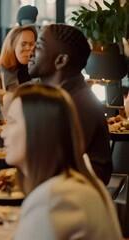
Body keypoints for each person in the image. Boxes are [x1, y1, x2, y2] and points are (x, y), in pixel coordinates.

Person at [2, 84, 121, 239]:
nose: (3, 133)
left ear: (39, 130)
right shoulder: (75, 182)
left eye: (12, 122)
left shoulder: (56, 199)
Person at [28, 24, 112, 185]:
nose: (30, 52)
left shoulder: (79, 104)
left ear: (61, 60)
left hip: (76, 199)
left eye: (38, 46)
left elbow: (52, 163)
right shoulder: (61, 97)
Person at [0, 25, 37, 92]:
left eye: (32, 44)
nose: (28, 48)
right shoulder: (2, 69)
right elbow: (13, 92)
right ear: (12, 45)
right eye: (23, 44)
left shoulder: (33, 66)